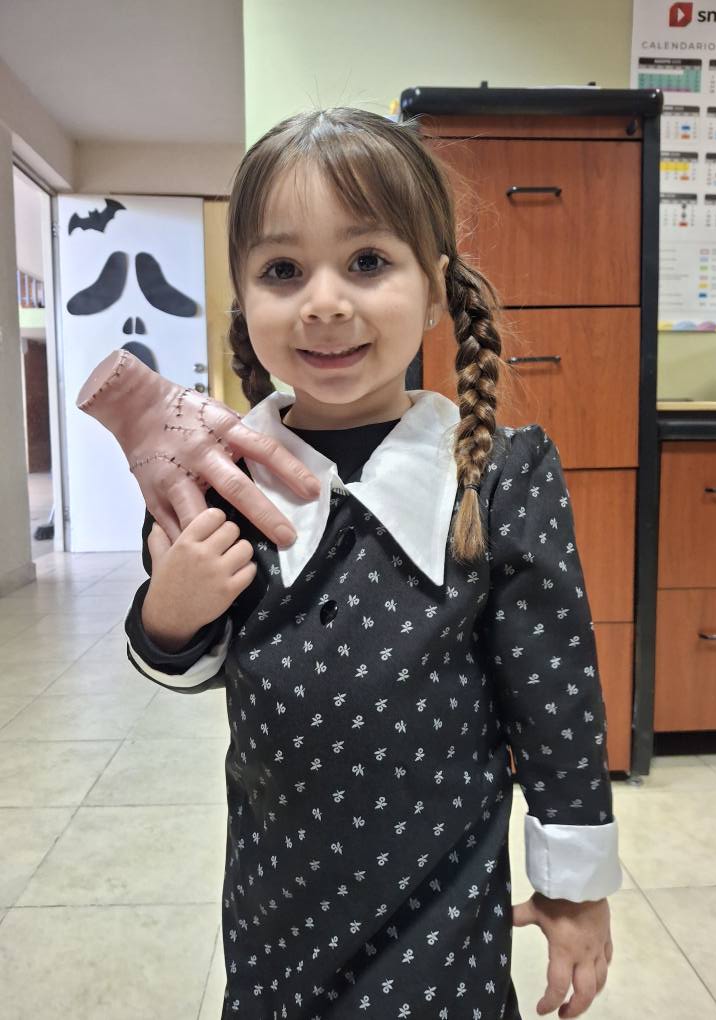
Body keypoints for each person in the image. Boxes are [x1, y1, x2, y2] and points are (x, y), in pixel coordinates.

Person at [112, 106, 621, 1019]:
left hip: (445, 911)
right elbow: (185, 660)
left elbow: (555, 699)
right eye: (282, 271)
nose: (324, 302)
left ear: (435, 292)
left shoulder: (499, 477)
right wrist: (170, 612)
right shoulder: (220, 479)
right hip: (276, 905)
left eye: (368, 262)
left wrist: (575, 889)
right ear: (244, 300)